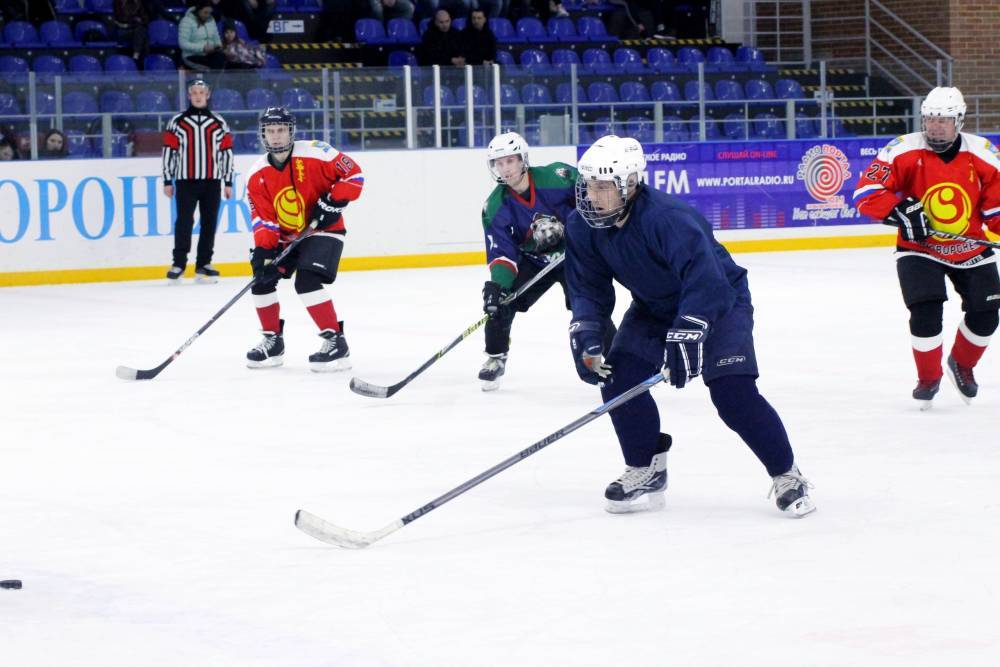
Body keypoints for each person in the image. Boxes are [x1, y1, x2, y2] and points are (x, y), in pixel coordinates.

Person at [566, 135, 814, 517]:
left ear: (629, 184)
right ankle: (645, 468)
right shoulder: (584, 226)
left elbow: (708, 281)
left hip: (719, 303)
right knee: (620, 381)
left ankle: (786, 473)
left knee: (732, 393)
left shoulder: (668, 219)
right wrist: (586, 331)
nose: (591, 196)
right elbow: (588, 289)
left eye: (602, 187)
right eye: (588, 185)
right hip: (654, 309)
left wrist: (689, 329)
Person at [854, 86, 1000, 409]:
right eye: (930, 119)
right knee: (925, 311)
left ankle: (962, 364)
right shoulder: (901, 149)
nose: (935, 126)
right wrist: (900, 210)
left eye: (944, 120)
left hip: (970, 247)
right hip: (919, 248)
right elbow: (866, 192)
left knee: (987, 313)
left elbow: (997, 211)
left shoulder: (985, 154)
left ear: (959, 120)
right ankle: (928, 377)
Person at [479, 131, 615, 390]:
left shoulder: (557, 177)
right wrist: (497, 286)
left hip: (573, 256)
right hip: (533, 260)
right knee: (502, 303)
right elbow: (503, 254)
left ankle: (621, 358)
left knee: (589, 306)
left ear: (522, 160)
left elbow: (591, 201)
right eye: (499, 162)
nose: (505, 168)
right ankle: (496, 357)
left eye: (510, 161)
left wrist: (586, 237)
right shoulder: (495, 206)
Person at [244, 107, 365, 371]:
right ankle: (272, 341)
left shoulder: (317, 151)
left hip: (324, 229)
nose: (276, 137)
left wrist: (333, 200)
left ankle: (336, 342)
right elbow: (264, 219)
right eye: (270, 131)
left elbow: (354, 175)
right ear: (263, 134)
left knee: (307, 281)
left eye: (281, 130)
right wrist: (264, 252)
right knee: (261, 281)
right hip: (287, 238)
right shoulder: (256, 174)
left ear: (291, 131)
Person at [161, 79, 234, 284]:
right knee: (184, 221)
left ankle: (203, 263)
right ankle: (179, 264)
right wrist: (168, 179)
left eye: (201, 91)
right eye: (194, 92)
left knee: (209, 222)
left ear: (208, 94)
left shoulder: (219, 122)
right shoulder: (176, 122)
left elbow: (226, 153)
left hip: (212, 180)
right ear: (189, 95)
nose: (198, 95)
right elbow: (169, 152)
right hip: (185, 181)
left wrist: (228, 182)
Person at [179, 0, 225, 71]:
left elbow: (216, 37)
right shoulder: (186, 21)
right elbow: (183, 44)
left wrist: (218, 46)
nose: (208, 15)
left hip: (208, 55)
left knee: (222, 59)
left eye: (210, 13)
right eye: (205, 12)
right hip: (191, 56)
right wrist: (202, 48)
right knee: (211, 68)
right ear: (198, 10)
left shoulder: (211, 19)